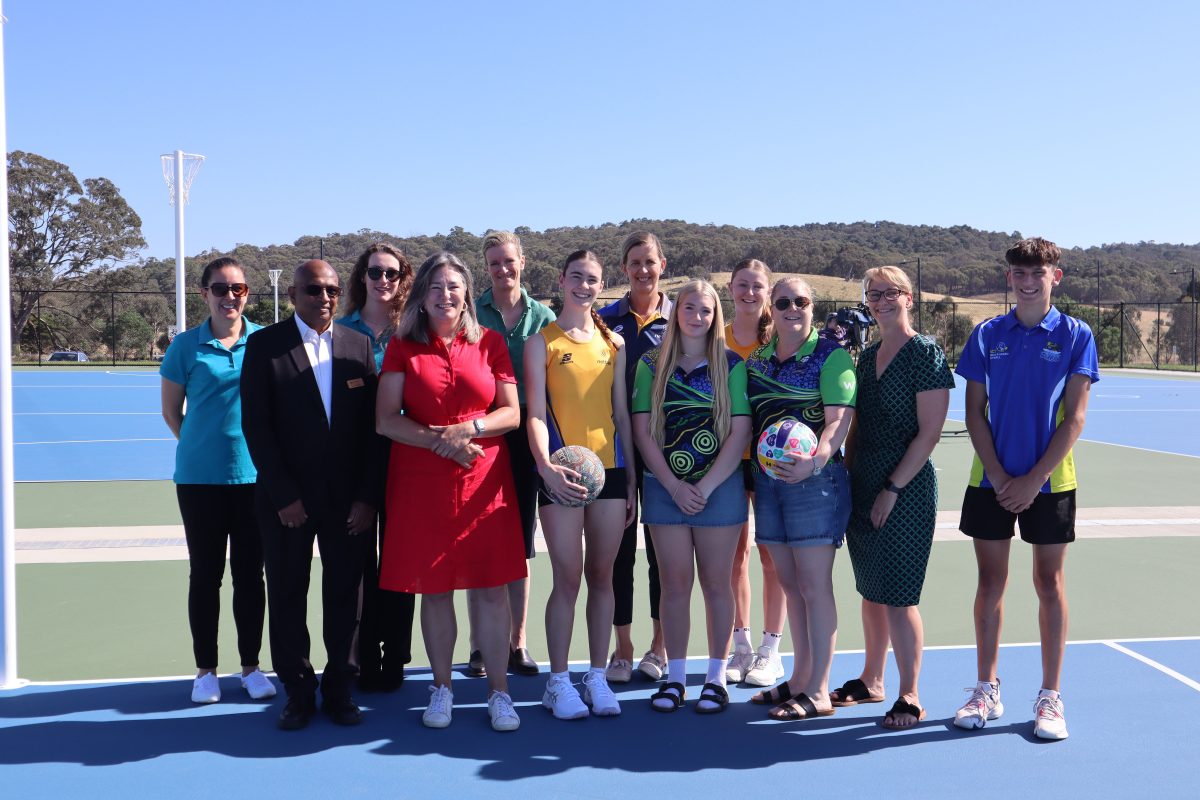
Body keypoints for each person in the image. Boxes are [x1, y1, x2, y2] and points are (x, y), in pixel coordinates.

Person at [953, 237, 1098, 741]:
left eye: (1038, 272)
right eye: (1019, 272)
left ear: (1055, 276)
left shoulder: (1077, 335)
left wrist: (1033, 479)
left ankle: (1050, 698)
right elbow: (973, 412)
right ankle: (985, 688)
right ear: (1009, 277)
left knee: (1048, 585)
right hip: (988, 479)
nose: (1028, 280)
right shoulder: (987, 334)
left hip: (1051, 481)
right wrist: (997, 475)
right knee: (990, 584)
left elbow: (1075, 417)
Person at [376, 251, 527, 733]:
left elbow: (512, 414)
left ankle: (498, 692)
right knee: (435, 591)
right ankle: (441, 687)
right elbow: (386, 420)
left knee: (490, 590)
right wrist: (445, 442)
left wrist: (469, 428)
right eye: (436, 287)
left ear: (466, 294)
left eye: (454, 286)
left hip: (485, 483)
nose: (446, 295)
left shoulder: (492, 343)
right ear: (422, 296)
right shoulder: (403, 347)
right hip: (422, 484)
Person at [240, 260, 379, 730]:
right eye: (314, 290)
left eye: (333, 290)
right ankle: (298, 693)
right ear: (294, 293)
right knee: (286, 596)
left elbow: (370, 434)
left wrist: (366, 498)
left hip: (348, 506)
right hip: (287, 505)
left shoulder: (359, 346)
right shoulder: (265, 347)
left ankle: (339, 689)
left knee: (345, 598)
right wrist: (283, 496)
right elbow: (256, 427)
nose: (324, 298)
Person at [840, 266, 954, 729]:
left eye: (891, 292)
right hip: (861, 484)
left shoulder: (925, 353)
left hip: (903, 490)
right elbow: (854, 427)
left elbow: (929, 434)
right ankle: (872, 680)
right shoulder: (865, 359)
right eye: (873, 294)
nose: (881, 300)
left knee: (900, 596)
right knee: (870, 590)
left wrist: (892, 488)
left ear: (909, 298)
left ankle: (909, 693)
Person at [525, 249, 636, 719]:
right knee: (567, 578)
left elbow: (621, 416)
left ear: (600, 284)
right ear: (561, 279)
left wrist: (630, 480)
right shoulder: (541, 342)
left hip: (609, 474)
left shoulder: (614, 344)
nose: (584, 286)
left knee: (602, 576)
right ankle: (558, 681)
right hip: (562, 474)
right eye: (576, 277)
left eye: (592, 280)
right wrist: (547, 468)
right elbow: (532, 412)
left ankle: (594, 675)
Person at [631, 280, 751, 713]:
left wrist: (703, 486)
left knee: (718, 585)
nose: (696, 317)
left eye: (704, 310)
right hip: (666, 493)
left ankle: (715, 679)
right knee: (674, 585)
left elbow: (740, 432)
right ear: (675, 312)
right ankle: (676, 679)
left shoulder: (732, 364)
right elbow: (643, 432)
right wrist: (673, 485)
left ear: (714, 315)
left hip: (719, 492)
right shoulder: (650, 363)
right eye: (688, 309)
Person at [160, 256, 274, 705]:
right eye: (221, 288)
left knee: (251, 575)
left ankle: (251, 667)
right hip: (199, 481)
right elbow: (172, 411)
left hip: (254, 479)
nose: (231, 297)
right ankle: (205, 671)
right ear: (204, 292)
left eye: (239, 289)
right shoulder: (185, 347)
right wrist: (199, 445)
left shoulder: (264, 342)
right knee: (205, 575)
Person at [744, 277, 856, 721]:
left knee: (813, 585)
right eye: (784, 301)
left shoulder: (832, 356)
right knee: (790, 585)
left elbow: (837, 421)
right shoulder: (757, 363)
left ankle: (821, 690)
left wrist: (815, 460)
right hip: (769, 485)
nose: (794, 308)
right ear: (772, 307)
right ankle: (800, 678)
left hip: (816, 483)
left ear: (813, 306)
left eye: (802, 301)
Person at [468, 230, 556, 679]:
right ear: (486, 268)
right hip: (479, 436)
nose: (503, 270)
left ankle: (516, 642)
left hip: (525, 437)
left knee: (519, 545)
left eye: (509, 261)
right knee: (479, 539)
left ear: (523, 261)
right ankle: (481, 645)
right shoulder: (469, 311)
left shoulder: (545, 316)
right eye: (494, 263)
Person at [337, 242, 416, 692]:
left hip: (406, 457)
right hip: (353, 462)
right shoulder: (339, 329)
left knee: (401, 562)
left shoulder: (414, 330)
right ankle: (361, 655)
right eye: (374, 273)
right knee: (360, 561)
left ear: (403, 278)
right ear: (361, 278)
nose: (382, 281)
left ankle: (395, 657)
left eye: (391, 273)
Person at [600, 231, 674, 683]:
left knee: (662, 556)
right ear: (624, 268)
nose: (643, 269)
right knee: (618, 554)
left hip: (668, 455)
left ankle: (660, 646)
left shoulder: (683, 319)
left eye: (650, 261)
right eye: (634, 262)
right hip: (617, 452)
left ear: (662, 264)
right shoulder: (604, 320)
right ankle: (623, 647)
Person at [722, 258, 788, 689]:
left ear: (767, 293)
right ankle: (740, 644)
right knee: (735, 555)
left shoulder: (780, 339)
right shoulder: (715, 337)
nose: (749, 292)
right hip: (727, 459)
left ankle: (771, 648)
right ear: (730, 289)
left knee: (772, 554)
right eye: (742, 285)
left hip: (770, 462)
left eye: (757, 286)